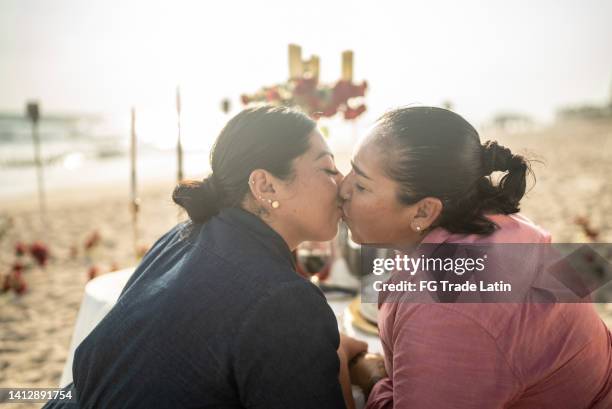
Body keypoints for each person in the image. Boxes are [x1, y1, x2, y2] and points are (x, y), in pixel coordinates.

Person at [44, 105, 366, 409]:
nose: (342, 185)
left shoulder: (184, 235)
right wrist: (338, 360)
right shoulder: (285, 302)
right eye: (328, 168)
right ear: (265, 186)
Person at [340, 106, 612, 408]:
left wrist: (371, 379)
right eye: (350, 168)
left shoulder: (448, 307)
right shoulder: (494, 225)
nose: (342, 188)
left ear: (424, 211)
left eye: (361, 185)